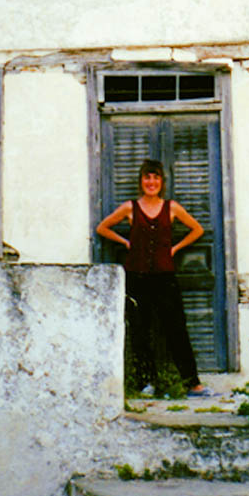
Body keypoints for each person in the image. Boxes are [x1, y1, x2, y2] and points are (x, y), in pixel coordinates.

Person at [96, 159, 211, 397]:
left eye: (156, 177)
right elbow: (103, 228)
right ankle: (145, 383)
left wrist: (175, 248)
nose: (151, 182)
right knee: (140, 330)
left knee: (176, 329)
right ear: (141, 181)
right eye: (147, 177)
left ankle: (192, 384)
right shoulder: (130, 208)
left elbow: (197, 229)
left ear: (162, 182)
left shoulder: (172, 208)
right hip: (136, 276)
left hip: (165, 276)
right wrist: (125, 242)